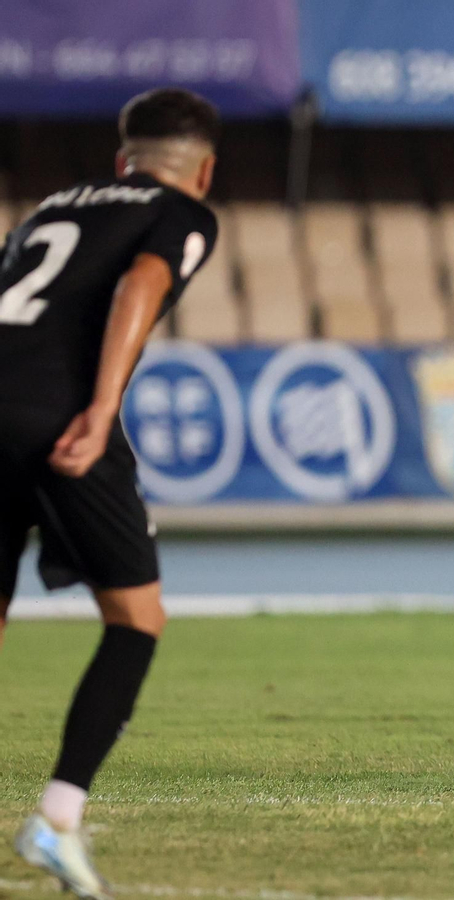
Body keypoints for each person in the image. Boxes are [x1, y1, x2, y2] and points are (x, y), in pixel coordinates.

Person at [2, 88, 220, 894]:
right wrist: (98, 411)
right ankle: (56, 819)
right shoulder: (184, 211)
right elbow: (141, 286)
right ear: (204, 168)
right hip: (56, 419)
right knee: (135, 619)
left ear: (119, 160)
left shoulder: (50, 208)